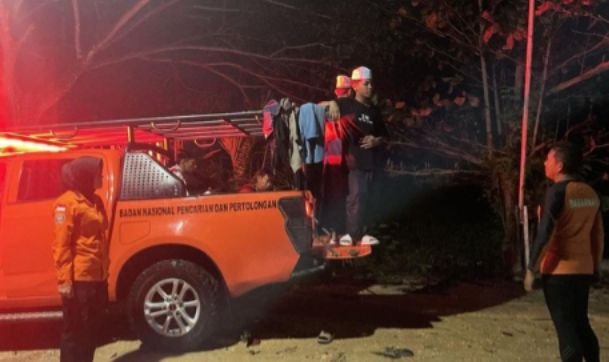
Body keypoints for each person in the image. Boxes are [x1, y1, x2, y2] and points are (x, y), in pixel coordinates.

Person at [524, 143, 604, 362]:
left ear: (559, 165)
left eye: (548, 159)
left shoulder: (557, 193)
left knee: (565, 327)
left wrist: (532, 269)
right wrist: (595, 267)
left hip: (558, 271)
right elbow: (597, 235)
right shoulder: (589, 193)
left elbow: (545, 233)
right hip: (583, 269)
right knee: (581, 323)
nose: (545, 162)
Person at [53, 157, 109, 362]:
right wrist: (65, 282)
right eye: (97, 174)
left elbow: (100, 237)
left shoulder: (96, 201)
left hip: (97, 276)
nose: (101, 177)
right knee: (74, 332)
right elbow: (61, 246)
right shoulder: (66, 204)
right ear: (85, 176)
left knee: (91, 331)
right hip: (78, 279)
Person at [335, 66, 387, 246]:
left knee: (370, 198)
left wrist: (376, 140)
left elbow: (384, 135)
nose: (370, 87)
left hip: (372, 162)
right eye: (366, 84)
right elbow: (323, 105)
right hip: (354, 160)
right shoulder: (347, 105)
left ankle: (365, 233)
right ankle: (351, 234)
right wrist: (333, 104)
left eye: (372, 84)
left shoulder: (374, 111)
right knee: (355, 196)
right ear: (356, 86)